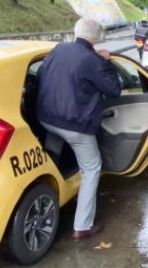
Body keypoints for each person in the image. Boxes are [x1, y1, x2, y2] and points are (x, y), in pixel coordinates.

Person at [36, 18, 122, 240]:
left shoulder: (58, 48)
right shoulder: (93, 60)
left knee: (54, 156)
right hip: (76, 126)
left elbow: (41, 75)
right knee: (92, 167)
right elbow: (113, 90)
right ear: (95, 38)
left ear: (76, 32)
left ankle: (52, 188)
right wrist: (107, 63)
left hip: (47, 120)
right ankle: (82, 226)